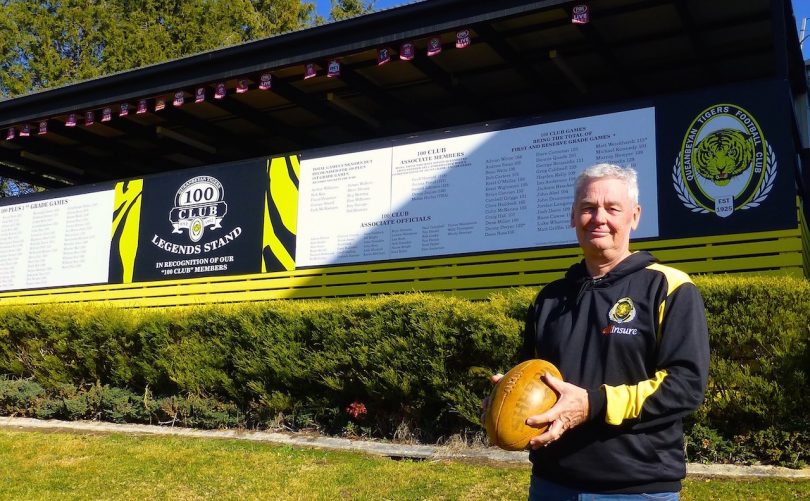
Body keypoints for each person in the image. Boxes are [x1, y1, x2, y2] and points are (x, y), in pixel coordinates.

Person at [493, 163, 710, 500]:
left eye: (612, 208)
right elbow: (532, 375)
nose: (599, 218)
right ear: (572, 216)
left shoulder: (669, 287)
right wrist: (504, 395)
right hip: (553, 482)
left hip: (637, 486)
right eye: (588, 208)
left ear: (634, 216)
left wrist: (593, 404)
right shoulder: (550, 298)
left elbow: (686, 385)